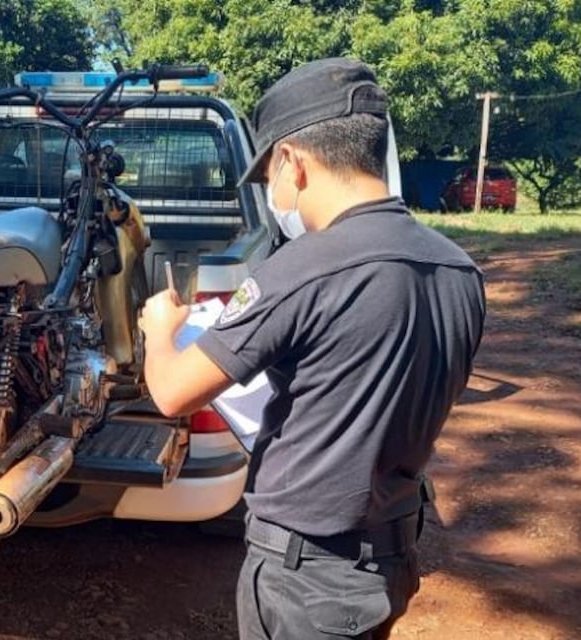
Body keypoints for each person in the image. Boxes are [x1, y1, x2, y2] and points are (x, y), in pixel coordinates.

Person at [140, 57, 486, 639]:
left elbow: (173, 392)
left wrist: (160, 330)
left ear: (292, 163)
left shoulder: (303, 268)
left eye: (269, 177)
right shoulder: (458, 268)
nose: (273, 194)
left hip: (308, 574)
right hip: (391, 550)